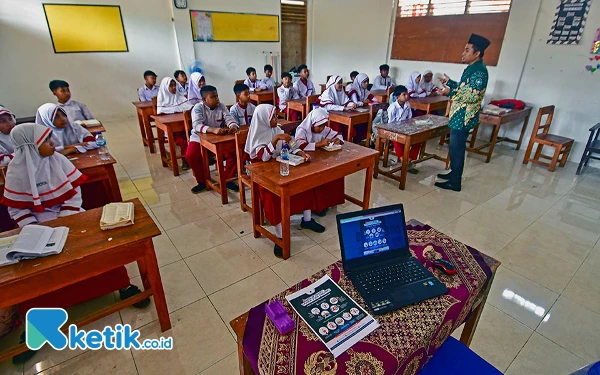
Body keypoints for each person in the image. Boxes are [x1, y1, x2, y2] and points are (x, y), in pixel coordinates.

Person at [1, 123, 148, 364]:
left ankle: (122, 285)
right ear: (31, 147)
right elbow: (16, 211)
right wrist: (38, 228)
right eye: (46, 142)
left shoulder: (58, 161)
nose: (53, 145)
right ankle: (36, 326)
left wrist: (67, 219)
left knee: (97, 246)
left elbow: (74, 195)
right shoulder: (17, 172)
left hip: (71, 216)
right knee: (34, 268)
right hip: (36, 227)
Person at [244, 104, 324, 257]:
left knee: (304, 182)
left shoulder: (277, 129)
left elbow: (290, 143)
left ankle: (306, 220)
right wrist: (275, 140)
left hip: (280, 168)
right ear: (263, 119)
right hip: (263, 176)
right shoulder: (257, 134)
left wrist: (300, 152)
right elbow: (262, 158)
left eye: (275, 116)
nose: (276, 119)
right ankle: (279, 236)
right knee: (272, 196)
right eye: (273, 117)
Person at [436, 34, 490, 192]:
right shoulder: (472, 68)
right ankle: (453, 174)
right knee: (454, 147)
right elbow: (465, 88)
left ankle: (455, 182)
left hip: (464, 117)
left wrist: (449, 93)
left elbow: (473, 95)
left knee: (457, 148)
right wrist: (451, 84)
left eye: (467, 50)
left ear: (477, 53)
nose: (463, 53)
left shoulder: (479, 71)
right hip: (459, 115)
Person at [186, 85, 239, 193]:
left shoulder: (221, 106)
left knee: (234, 151)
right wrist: (212, 129)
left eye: (217, 96)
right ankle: (201, 181)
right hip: (199, 138)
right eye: (213, 97)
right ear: (204, 99)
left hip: (218, 138)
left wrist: (233, 126)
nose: (217, 99)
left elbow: (229, 118)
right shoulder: (198, 108)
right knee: (191, 155)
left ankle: (228, 179)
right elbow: (196, 125)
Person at [294, 108, 345, 216]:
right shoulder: (302, 130)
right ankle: (316, 207)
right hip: (306, 162)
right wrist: (319, 144)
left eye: (324, 125)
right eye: (319, 126)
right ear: (312, 124)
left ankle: (329, 201)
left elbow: (338, 135)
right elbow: (300, 145)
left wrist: (338, 140)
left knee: (335, 172)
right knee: (317, 177)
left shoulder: (324, 129)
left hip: (319, 160)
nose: (322, 128)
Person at [156, 77, 193, 170]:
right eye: (171, 86)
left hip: (186, 127)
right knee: (183, 140)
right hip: (174, 131)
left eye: (174, 85)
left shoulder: (179, 96)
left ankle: (199, 159)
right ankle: (186, 161)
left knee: (195, 137)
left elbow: (189, 107)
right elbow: (161, 112)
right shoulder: (162, 100)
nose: (174, 88)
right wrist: (179, 110)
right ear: (165, 88)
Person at [387, 85, 421, 174]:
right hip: (394, 130)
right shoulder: (392, 107)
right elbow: (390, 123)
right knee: (397, 141)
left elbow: (410, 118)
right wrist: (399, 129)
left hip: (406, 129)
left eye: (407, 94)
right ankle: (404, 163)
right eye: (404, 94)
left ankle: (407, 162)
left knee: (417, 141)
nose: (406, 96)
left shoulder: (407, 105)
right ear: (397, 97)